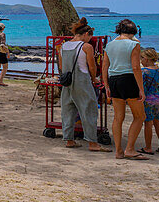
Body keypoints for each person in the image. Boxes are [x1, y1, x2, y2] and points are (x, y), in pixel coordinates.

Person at [57, 18, 111, 152]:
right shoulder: (86, 47)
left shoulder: (64, 46)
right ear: (86, 34)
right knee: (89, 110)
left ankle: (69, 140)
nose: (90, 39)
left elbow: (62, 66)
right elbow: (92, 66)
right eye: (90, 36)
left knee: (68, 111)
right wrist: (94, 79)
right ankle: (92, 143)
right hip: (82, 81)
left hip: (67, 82)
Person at [102, 18, 148, 160]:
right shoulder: (134, 44)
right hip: (129, 79)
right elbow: (135, 67)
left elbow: (105, 66)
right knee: (140, 116)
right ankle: (129, 149)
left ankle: (118, 151)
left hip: (114, 80)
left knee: (118, 117)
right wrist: (141, 88)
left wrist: (106, 85)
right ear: (133, 32)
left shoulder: (109, 45)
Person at [140, 48, 159, 155]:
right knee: (157, 121)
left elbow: (140, 87)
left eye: (142, 58)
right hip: (158, 98)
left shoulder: (144, 72)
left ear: (148, 59)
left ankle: (148, 147)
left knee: (148, 122)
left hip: (147, 99)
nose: (141, 60)